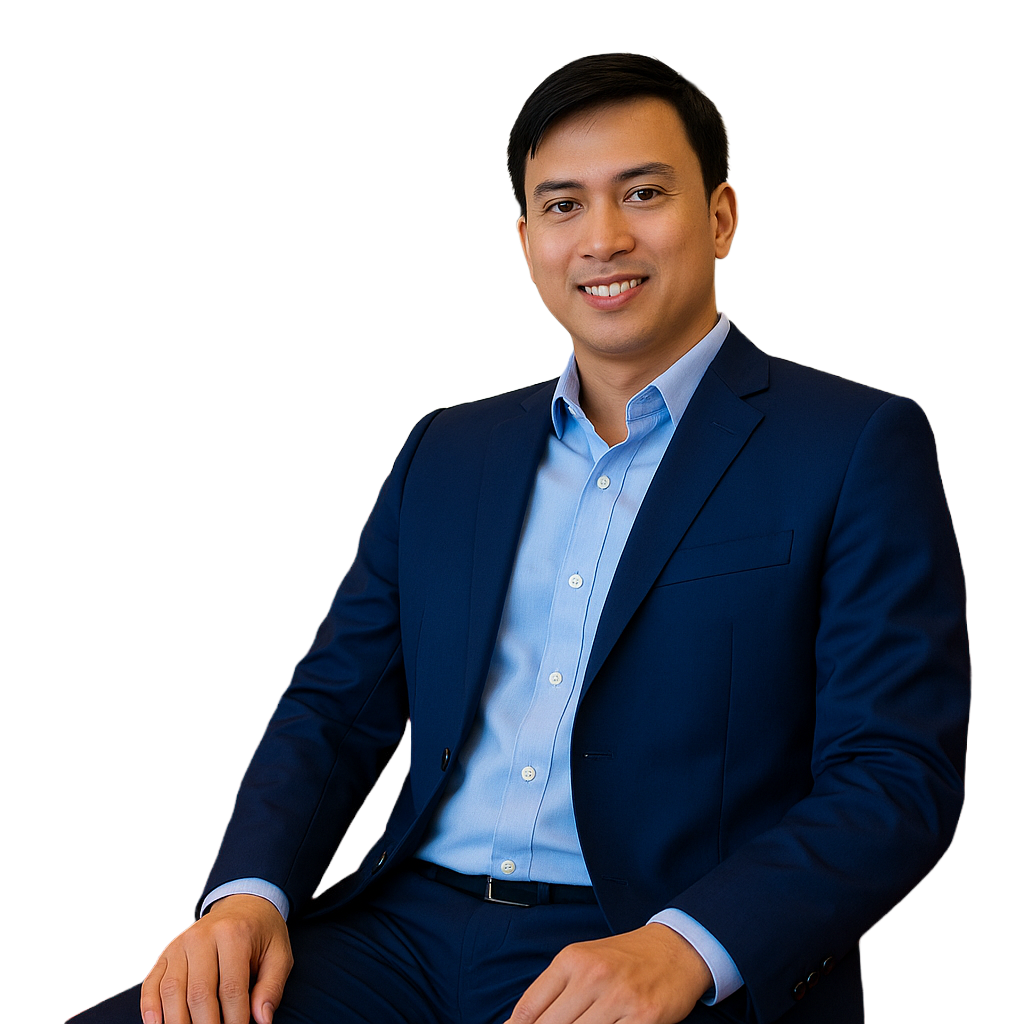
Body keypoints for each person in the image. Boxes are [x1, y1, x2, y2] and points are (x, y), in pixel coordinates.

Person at [72, 51, 970, 1024]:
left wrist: (686, 944)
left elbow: (894, 773)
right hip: (398, 934)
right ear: (526, 239)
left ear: (721, 216)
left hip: (646, 938)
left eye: (642, 193)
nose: (603, 238)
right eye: (562, 205)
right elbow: (333, 707)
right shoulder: (448, 448)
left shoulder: (854, 441)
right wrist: (249, 895)